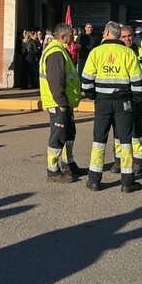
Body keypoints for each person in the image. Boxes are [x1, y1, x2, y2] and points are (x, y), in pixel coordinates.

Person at [80, 21, 142, 193]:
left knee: (99, 140)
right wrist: (135, 99)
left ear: (108, 33)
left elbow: (86, 80)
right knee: (125, 141)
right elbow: (138, 83)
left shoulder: (96, 52)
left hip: (102, 101)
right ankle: (127, 181)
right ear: (117, 35)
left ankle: (94, 180)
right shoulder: (128, 53)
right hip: (123, 102)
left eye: (103, 32)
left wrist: (92, 96)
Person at [40, 22, 87, 182]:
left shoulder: (61, 51)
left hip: (65, 102)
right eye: (70, 35)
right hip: (58, 103)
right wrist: (62, 102)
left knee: (68, 133)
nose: (73, 37)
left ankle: (68, 164)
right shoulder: (55, 53)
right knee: (58, 136)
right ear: (62, 36)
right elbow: (56, 81)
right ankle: (53, 171)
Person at [116, 25, 142, 172]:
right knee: (119, 131)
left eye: (129, 36)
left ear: (134, 36)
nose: (127, 39)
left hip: (139, 99)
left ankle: (139, 160)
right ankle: (119, 159)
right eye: (124, 36)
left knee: (137, 129)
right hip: (121, 98)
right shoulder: (116, 53)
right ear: (119, 37)